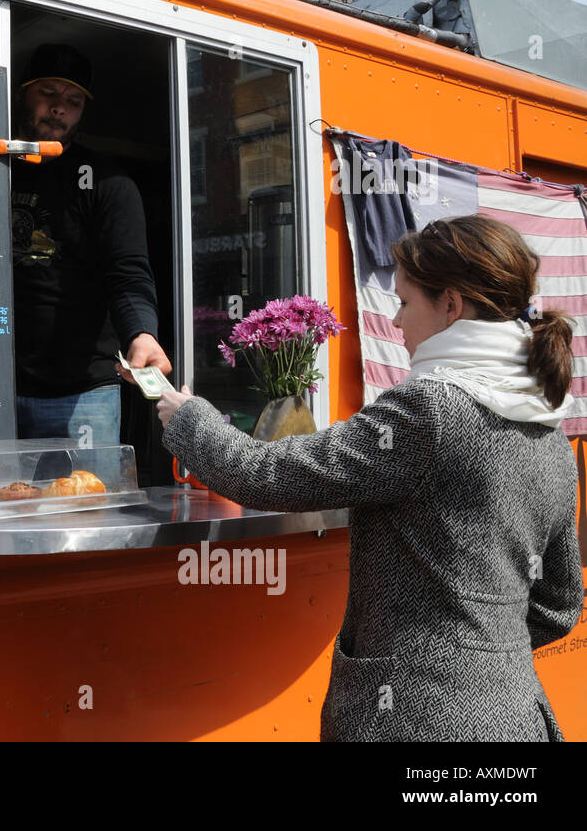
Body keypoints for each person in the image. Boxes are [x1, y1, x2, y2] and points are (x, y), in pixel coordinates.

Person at [157, 215, 584, 741]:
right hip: (516, 717)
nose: (396, 321)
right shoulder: (551, 430)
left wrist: (187, 419)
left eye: (404, 302)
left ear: (450, 305)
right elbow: (558, 606)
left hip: (415, 722)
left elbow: (268, 474)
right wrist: (485, 663)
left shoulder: (431, 411)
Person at [11, 43, 172, 447]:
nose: (59, 108)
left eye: (73, 100)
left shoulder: (108, 183)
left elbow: (128, 272)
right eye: (48, 92)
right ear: (22, 94)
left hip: (82, 392)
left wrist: (141, 333)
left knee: (84, 509)